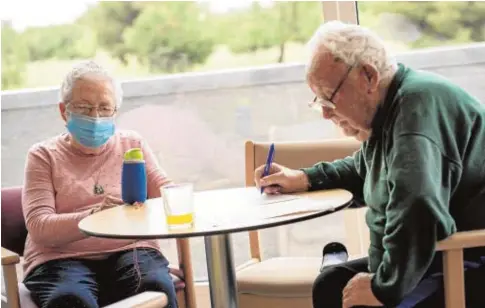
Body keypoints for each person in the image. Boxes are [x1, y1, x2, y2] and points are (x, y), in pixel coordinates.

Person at [254, 21, 485, 308]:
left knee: (352, 299)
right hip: (436, 256)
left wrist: (383, 288)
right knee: (331, 284)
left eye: (330, 96)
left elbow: (419, 204)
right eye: (319, 101)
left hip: (465, 259)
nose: (325, 113)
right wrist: (304, 178)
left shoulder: (416, 108)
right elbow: (363, 170)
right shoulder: (391, 109)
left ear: (368, 76)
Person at [22, 61, 178, 308]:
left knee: (155, 289)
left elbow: (167, 195)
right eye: (84, 108)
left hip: (130, 249)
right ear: (64, 111)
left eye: (105, 108)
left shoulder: (132, 144)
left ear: (115, 111)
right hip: (60, 257)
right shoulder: (43, 155)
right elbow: (40, 226)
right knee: (70, 301)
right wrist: (95, 217)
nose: (95, 117)